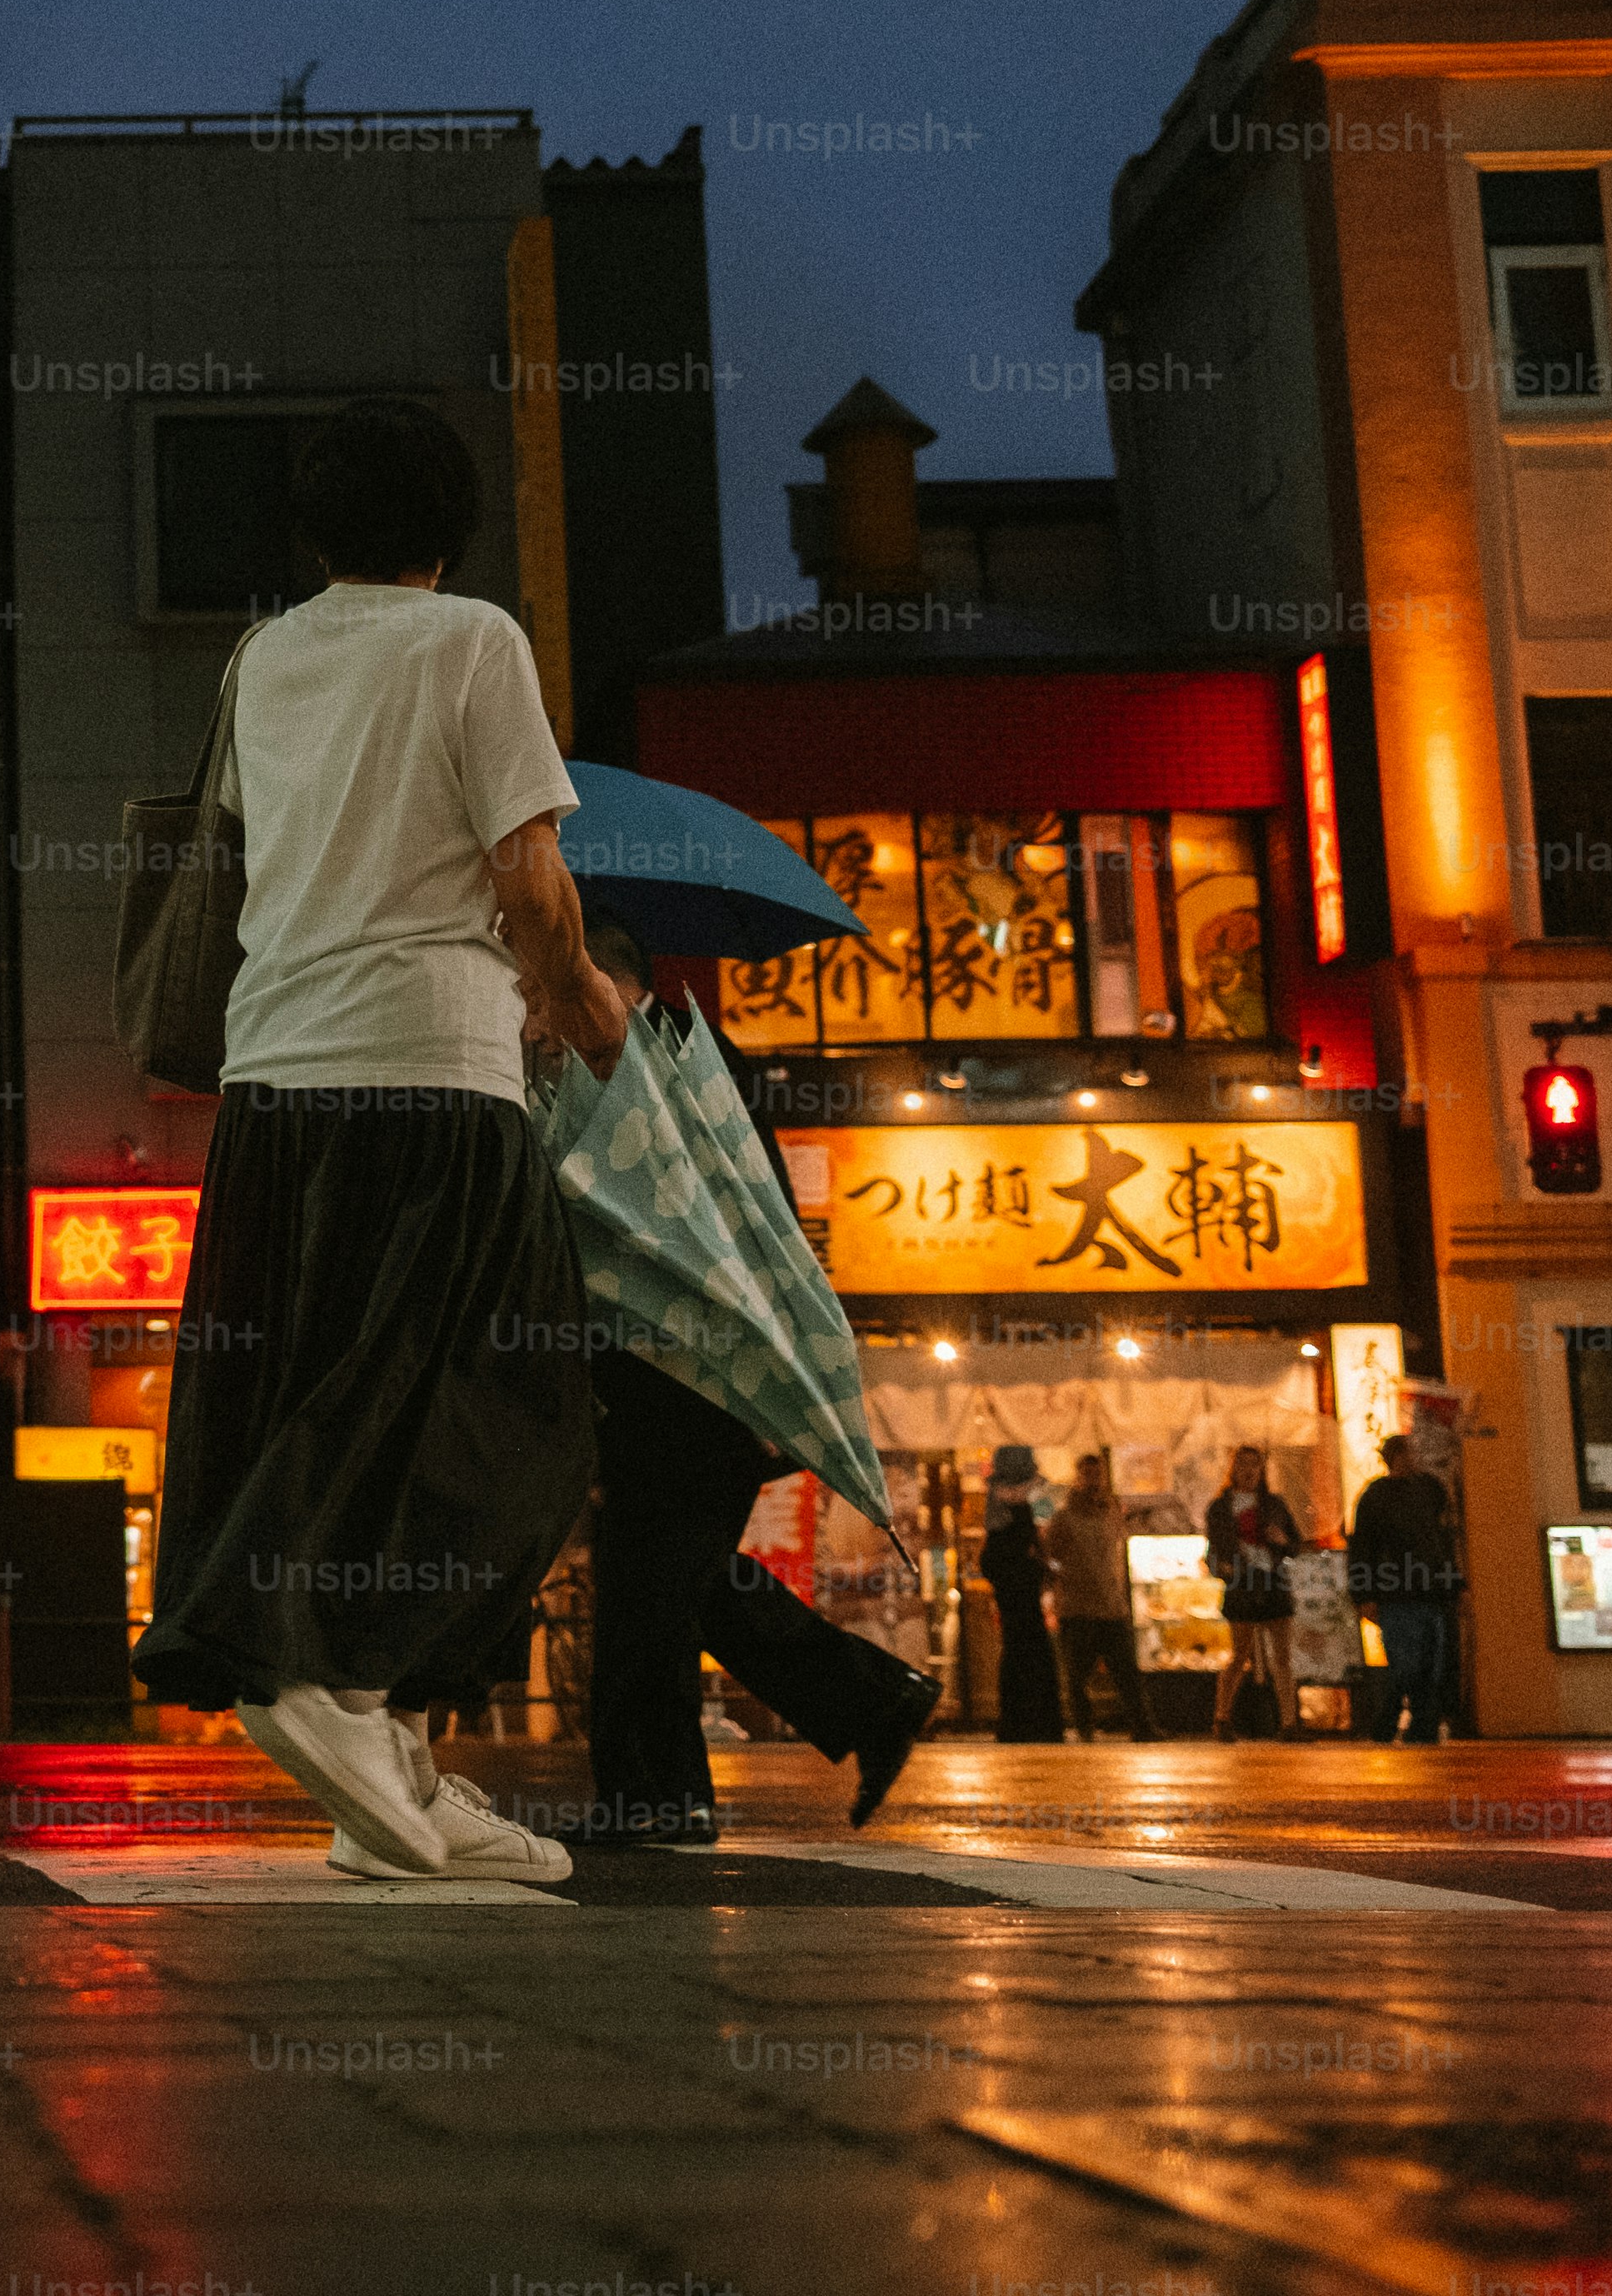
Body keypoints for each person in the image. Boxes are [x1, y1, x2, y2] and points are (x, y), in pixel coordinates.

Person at [133, 398, 620, 1884]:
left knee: (327, 1388)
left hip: (275, 1086)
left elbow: (249, 849)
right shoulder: (474, 642)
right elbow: (528, 875)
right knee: (515, 1413)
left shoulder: (264, 655)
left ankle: (393, 1768)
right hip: (434, 1074)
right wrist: (590, 1012)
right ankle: (324, 1682)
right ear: (448, 530)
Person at [552, 917, 942, 1843]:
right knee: (676, 1579)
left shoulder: (678, 1074)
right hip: (676, 1386)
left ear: (604, 983)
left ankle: (660, 1796)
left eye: (548, 992)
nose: (538, 1015)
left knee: (651, 1587)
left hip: (695, 1385)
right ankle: (867, 1702)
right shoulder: (651, 1070)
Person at [1348, 1432, 1463, 1743]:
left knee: (1427, 1663)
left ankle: (1414, 1724)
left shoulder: (1428, 1489)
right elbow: (1364, 1548)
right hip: (1398, 1593)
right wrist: (1365, 1594)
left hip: (1424, 1590)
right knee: (1407, 1663)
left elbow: (1443, 1538)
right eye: (1410, 1453)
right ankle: (1399, 1721)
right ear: (1396, 1457)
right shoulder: (1378, 1496)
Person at [1046, 1449, 1156, 1740]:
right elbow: (1051, 1557)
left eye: (1098, 1474)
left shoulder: (1111, 1513)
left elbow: (1116, 1553)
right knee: (1077, 1676)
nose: (1093, 1480)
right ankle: (1085, 1728)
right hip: (1078, 1609)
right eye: (1088, 1474)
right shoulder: (1065, 1518)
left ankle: (1142, 1727)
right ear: (1078, 1478)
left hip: (1111, 1607)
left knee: (1127, 1673)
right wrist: (1064, 1576)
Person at [1200, 1445, 1307, 1740]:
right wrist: (1222, 1568)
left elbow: (1295, 1545)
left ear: (1262, 1470)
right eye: (1243, 1464)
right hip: (1242, 1584)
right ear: (1233, 1469)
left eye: (1255, 1465)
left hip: (1272, 1582)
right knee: (1241, 1653)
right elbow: (1213, 1550)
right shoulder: (1221, 1507)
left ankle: (1289, 1722)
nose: (1249, 1471)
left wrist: (1282, 1540)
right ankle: (1222, 1718)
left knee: (1282, 1657)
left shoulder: (1274, 1504)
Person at [976, 1480, 1065, 1744]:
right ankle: (1040, 1725)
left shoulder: (1001, 1534)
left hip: (1016, 1609)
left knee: (1018, 1661)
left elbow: (989, 1564)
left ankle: (1018, 1724)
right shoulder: (1018, 1532)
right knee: (1032, 1661)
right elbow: (1042, 1564)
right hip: (1024, 1609)